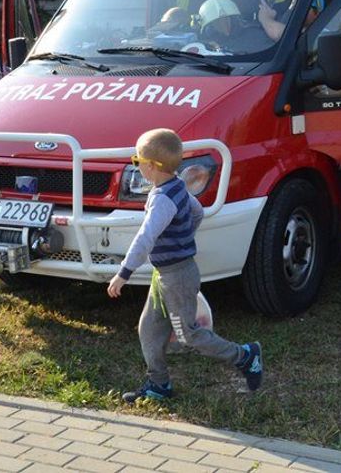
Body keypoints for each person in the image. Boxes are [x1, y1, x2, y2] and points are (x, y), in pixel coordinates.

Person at [107, 128, 263, 401]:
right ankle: (159, 384)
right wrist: (183, 236)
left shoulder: (162, 200)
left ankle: (246, 356)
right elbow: (197, 211)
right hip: (165, 274)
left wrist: (124, 273)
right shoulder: (176, 186)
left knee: (188, 335)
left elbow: (145, 237)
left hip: (177, 277)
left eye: (136, 161)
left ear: (151, 167)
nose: (136, 165)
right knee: (149, 329)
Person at [198, 0, 272, 53]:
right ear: (209, 25)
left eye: (227, 18)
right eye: (217, 21)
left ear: (234, 18)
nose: (223, 23)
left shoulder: (256, 36)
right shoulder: (201, 47)